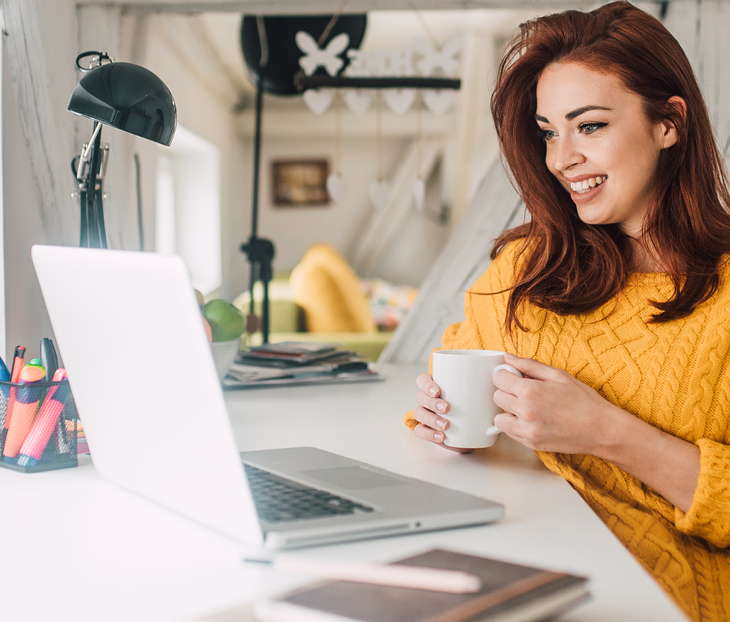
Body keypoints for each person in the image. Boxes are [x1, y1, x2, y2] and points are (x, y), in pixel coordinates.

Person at [403, 3, 730, 621]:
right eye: (550, 131)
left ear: (669, 122)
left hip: (662, 598)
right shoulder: (527, 267)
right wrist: (440, 416)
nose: (561, 159)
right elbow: (455, 377)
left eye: (590, 126)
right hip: (510, 566)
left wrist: (608, 432)